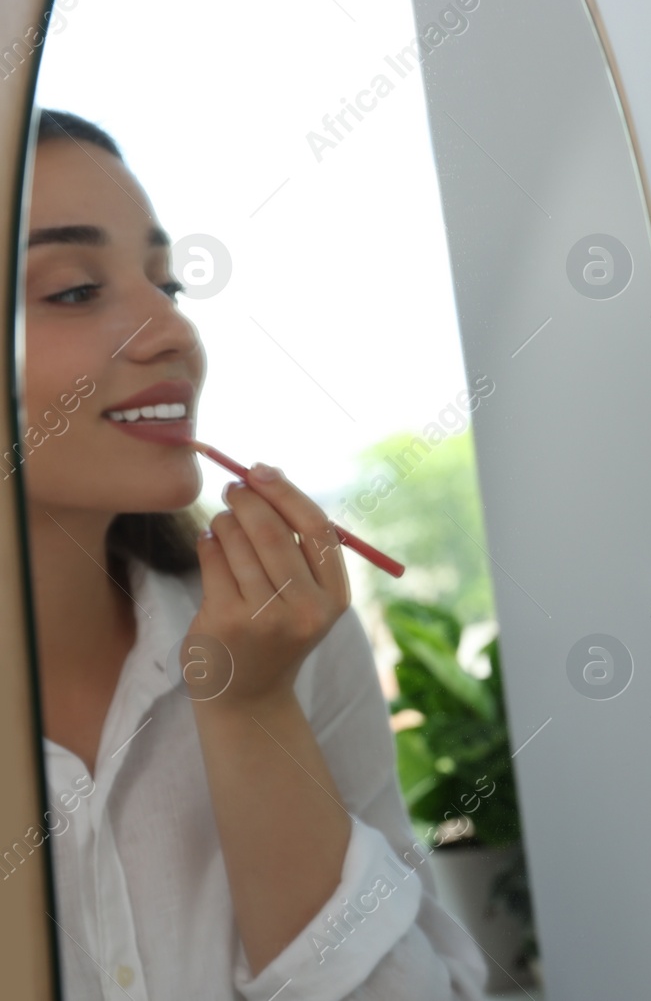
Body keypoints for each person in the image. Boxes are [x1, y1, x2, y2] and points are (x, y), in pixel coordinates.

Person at [21, 109, 488, 999]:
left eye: (169, 284)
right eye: (75, 290)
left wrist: (253, 712)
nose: (171, 332)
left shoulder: (285, 641)